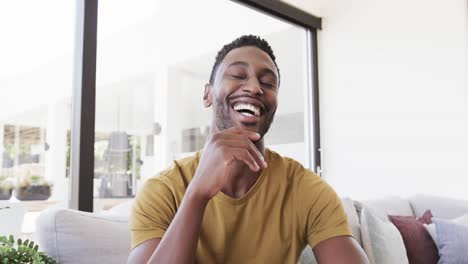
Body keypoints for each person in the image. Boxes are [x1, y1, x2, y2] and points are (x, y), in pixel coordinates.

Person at [127, 35, 369, 264]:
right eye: (237, 75)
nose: (254, 88)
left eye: (268, 82)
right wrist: (197, 194)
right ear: (207, 94)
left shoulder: (305, 189)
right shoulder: (162, 190)